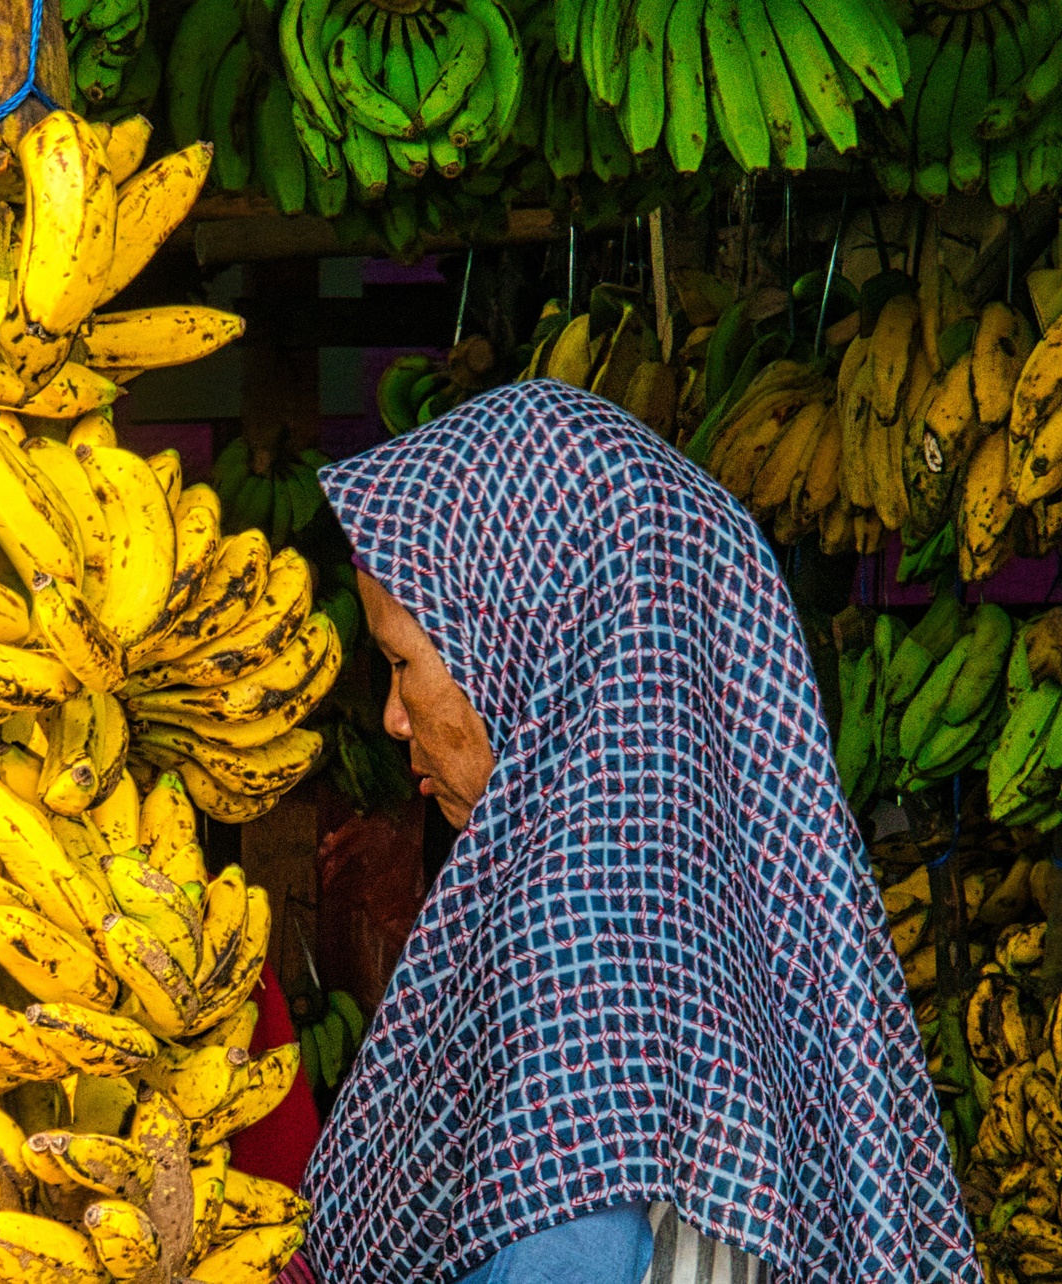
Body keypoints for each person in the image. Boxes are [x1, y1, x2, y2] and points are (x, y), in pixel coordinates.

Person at [301, 382, 978, 1284]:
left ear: (523, 645)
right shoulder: (700, 916)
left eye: (403, 663)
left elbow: (563, 1255)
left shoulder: (580, 955)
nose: (391, 717)